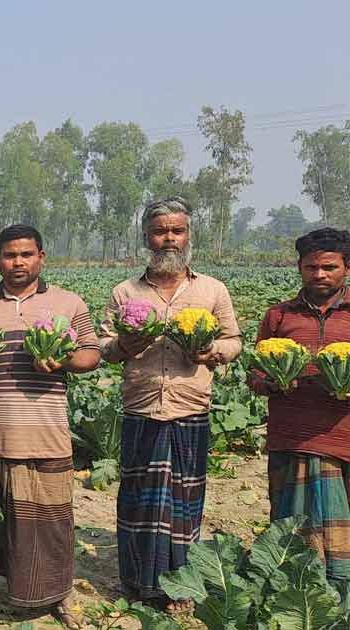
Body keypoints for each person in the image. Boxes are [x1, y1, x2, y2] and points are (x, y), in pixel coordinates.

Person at [98, 196, 242, 613]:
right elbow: (103, 344)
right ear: (147, 236)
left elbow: (234, 341)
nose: (169, 238)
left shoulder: (212, 289)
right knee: (137, 499)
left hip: (189, 409)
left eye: (176, 230)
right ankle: (138, 582)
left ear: (188, 235)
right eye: (160, 231)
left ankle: (180, 585)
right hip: (142, 409)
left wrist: (211, 351)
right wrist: (124, 344)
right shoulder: (124, 291)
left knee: (185, 499)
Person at [0, 225, 99, 628]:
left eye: (26, 255)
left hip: (46, 431)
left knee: (50, 519)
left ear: (41, 257)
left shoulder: (68, 302)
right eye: (9, 255)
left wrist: (63, 360)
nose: (18, 262)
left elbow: (91, 353)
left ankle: (57, 593)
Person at [252, 228, 350, 590]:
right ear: (299, 267)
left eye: (329, 267)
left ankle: (339, 596)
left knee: (341, 529)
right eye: (311, 267)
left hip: (342, 439)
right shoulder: (278, 316)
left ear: (346, 268)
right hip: (290, 437)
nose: (320, 274)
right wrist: (273, 381)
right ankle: (294, 592)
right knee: (291, 525)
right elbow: (255, 371)